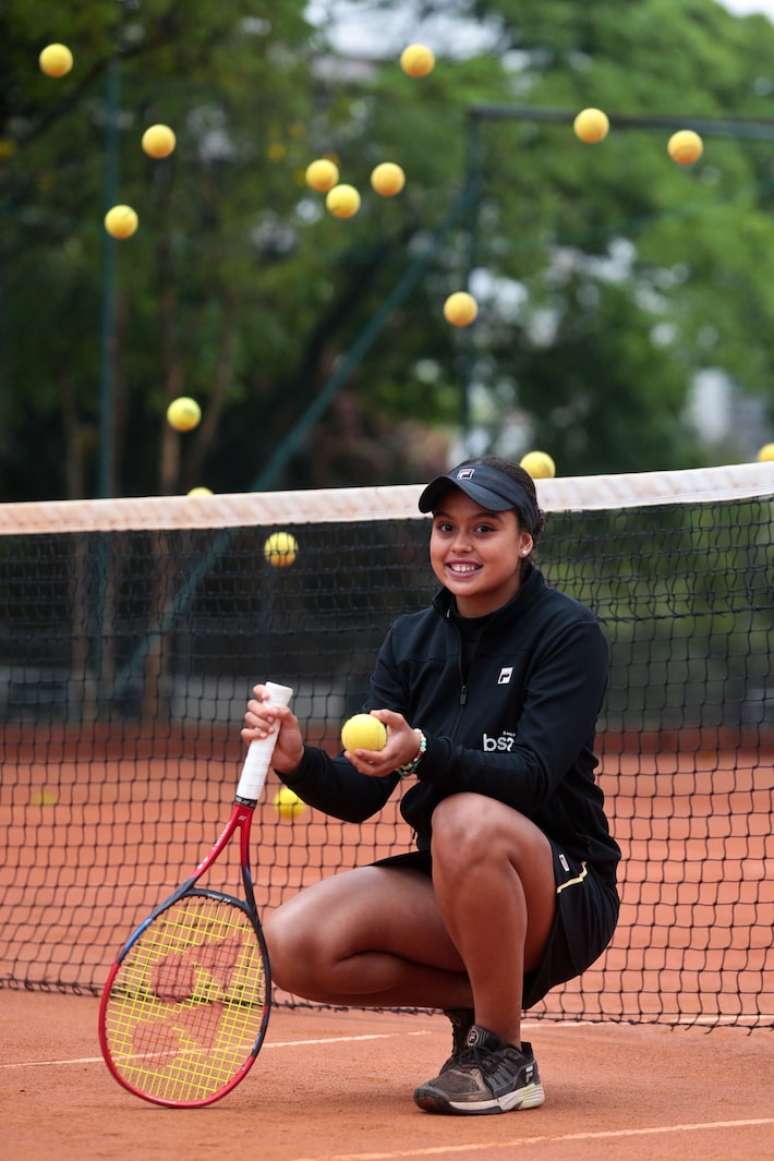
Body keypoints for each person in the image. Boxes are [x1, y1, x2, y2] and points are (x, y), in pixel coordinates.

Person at [242, 456, 620, 1116]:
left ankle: (501, 1051)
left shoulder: (567, 633)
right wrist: (299, 761)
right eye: (446, 528)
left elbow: (530, 778)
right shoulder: (410, 639)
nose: (460, 545)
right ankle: (476, 997)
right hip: (457, 875)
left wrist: (424, 749)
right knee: (293, 945)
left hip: (563, 887)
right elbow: (363, 796)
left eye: (484, 528)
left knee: (463, 816)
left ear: (525, 538)